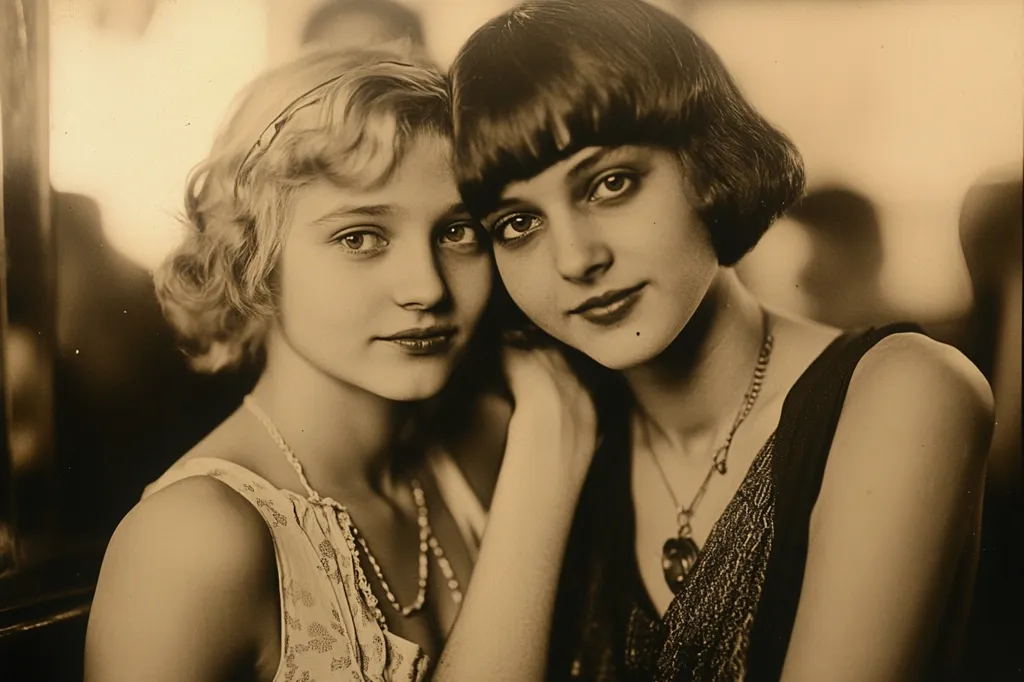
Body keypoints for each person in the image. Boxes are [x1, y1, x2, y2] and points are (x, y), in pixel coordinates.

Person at [438, 1, 995, 680]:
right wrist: (545, 432)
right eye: (518, 223)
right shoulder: (547, 434)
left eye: (610, 184)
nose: (576, 258)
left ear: (708, 164)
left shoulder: (904, 389)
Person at [83, 45, 592, 681]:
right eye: (360, 238)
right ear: (255, 258)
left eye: (457, 231)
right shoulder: (192, 539)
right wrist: (548, 441)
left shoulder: (477, 450)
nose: (426, 288)